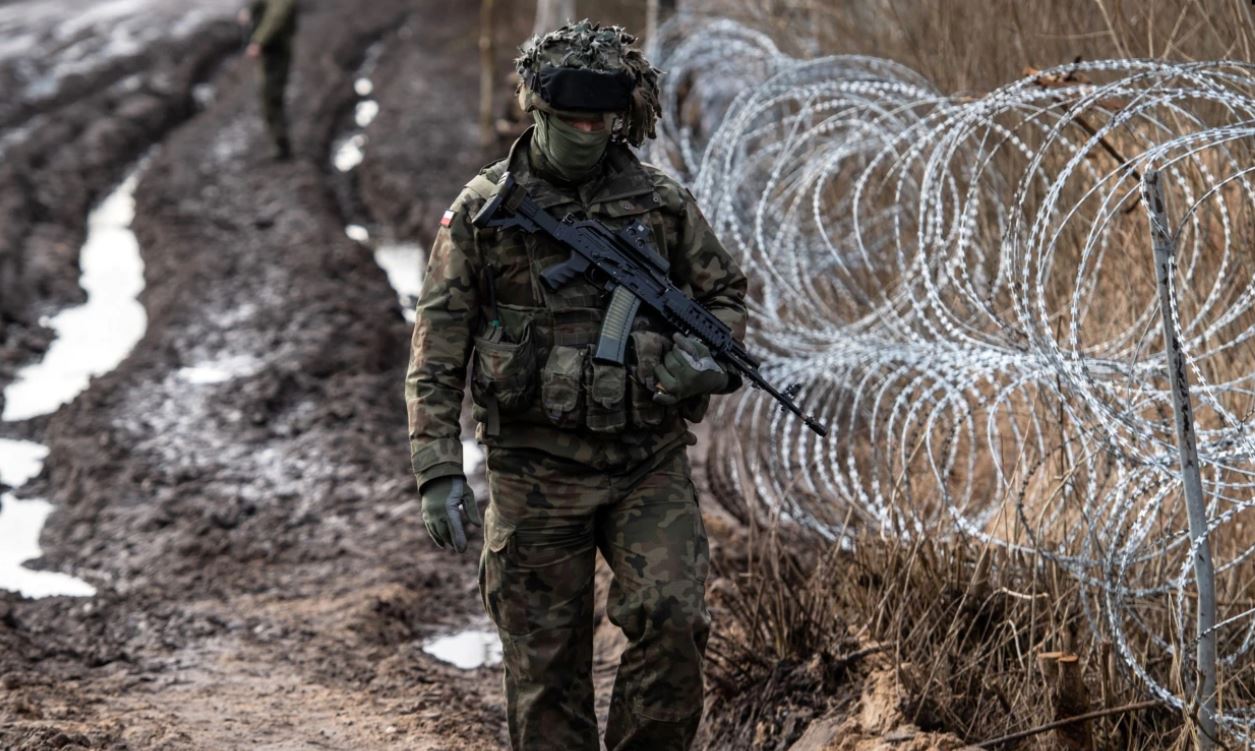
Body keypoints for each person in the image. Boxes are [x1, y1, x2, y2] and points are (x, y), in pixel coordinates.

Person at [405, 20, 747, 751]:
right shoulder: (483, 213)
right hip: (533, 472)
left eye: (602, 120)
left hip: (643, 462)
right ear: (536, 112)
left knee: (674, 617)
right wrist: (437, 468)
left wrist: (707, 361)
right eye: (572, 120)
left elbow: (723, 300)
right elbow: (437, 345)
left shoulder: (659, 205)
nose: (588, 133)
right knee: (545, 666)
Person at [239, 0, 298, 160]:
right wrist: (249, 11)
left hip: (276, 53)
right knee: (268, 98)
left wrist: (259, 41)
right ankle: (280, 145)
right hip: (270, 53)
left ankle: (282, 148)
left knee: (271, 97)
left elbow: (277, 16)